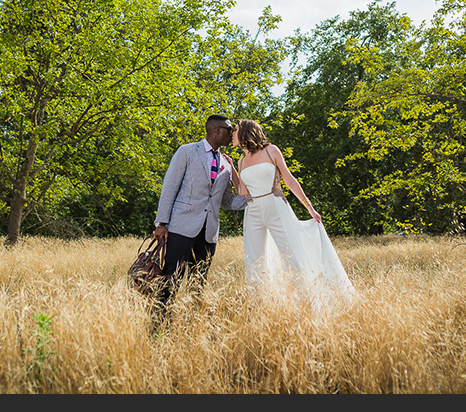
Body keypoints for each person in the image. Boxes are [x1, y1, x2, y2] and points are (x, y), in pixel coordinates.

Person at [230, 119, 356, 304]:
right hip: (253, 211)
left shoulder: (271, 150)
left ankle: (307, 303)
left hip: (276, 207)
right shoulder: (240, 162)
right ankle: (261, 306)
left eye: (235, 129)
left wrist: (309, 207)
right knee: (254, 261)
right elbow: (242, 191)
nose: (232, 133)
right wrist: (232, 168)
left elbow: (289, 180)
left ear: (246, 132)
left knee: (292, 256)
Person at [152, 114, 247, 317]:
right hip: (180, 229)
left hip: (208, 234)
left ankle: (192, 327)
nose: (232, 134)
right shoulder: (187, 151)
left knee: (198, 286)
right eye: (229, 130)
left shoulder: (226, 163)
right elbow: (169, 187)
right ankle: (160, 327)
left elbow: (227, 201)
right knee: (171, 281)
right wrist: (161, 222)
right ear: (217, 130)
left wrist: (257, 201)